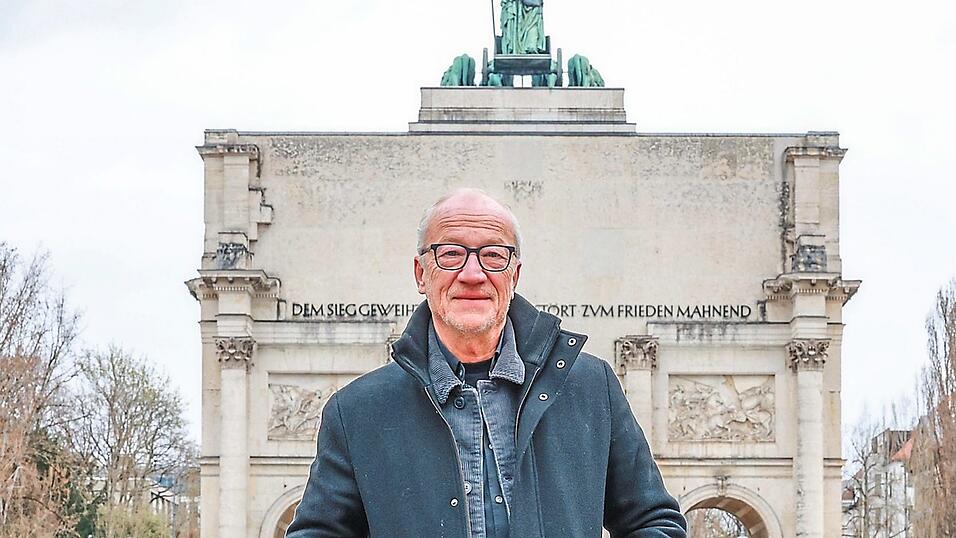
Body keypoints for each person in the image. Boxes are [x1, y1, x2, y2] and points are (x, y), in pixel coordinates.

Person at [286, 189, 687, 537]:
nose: (473, 274)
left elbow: (653, 521)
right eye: (451, 253)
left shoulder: (590, 386)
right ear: (420, 273)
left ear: (515, 275)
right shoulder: (357, 412)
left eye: (493, 255)